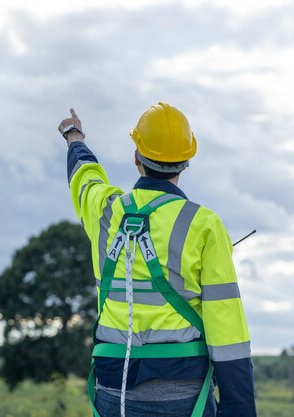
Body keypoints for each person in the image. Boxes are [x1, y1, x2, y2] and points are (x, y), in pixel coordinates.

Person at [58, 103, 256, 417]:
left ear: (136, 157)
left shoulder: (106, 212)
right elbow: (226, 326)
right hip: (183, 399)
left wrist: (74, 137)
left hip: (113, 392)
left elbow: (84, 179)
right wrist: (240, 408)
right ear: (186, 162)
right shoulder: (204, 224)